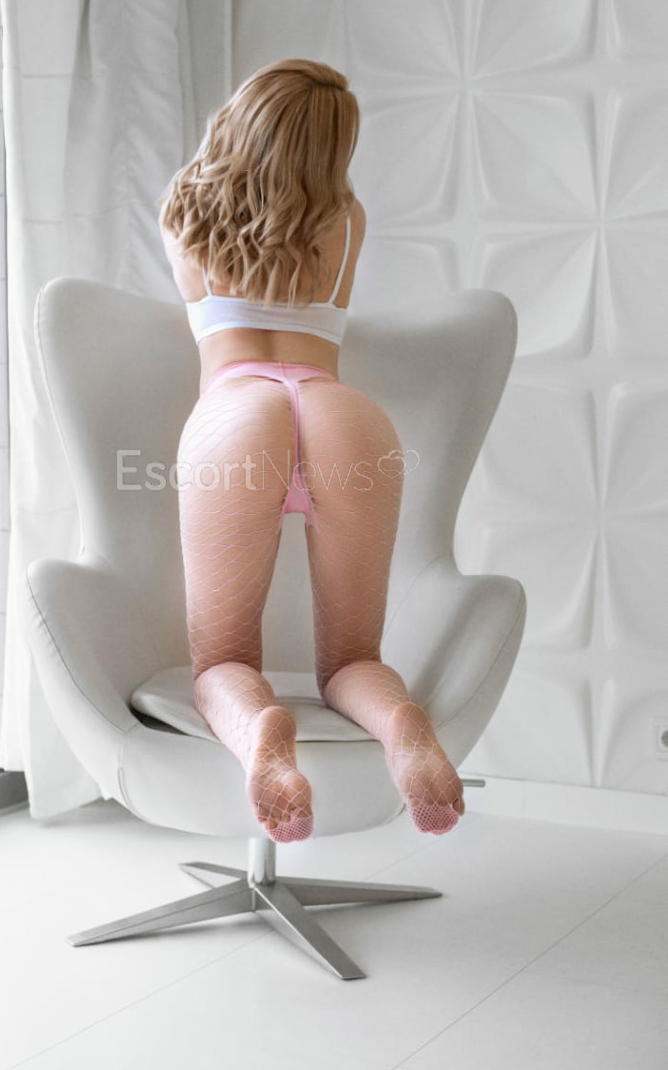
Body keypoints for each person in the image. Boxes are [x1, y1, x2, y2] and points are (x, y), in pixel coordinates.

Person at [158, 58, 465, 844]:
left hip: (236, 415)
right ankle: (399, 727)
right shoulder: (347, 219)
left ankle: (260, 729)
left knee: (223, 661)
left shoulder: (183, 208)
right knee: (352, 658)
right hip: (342, 416)